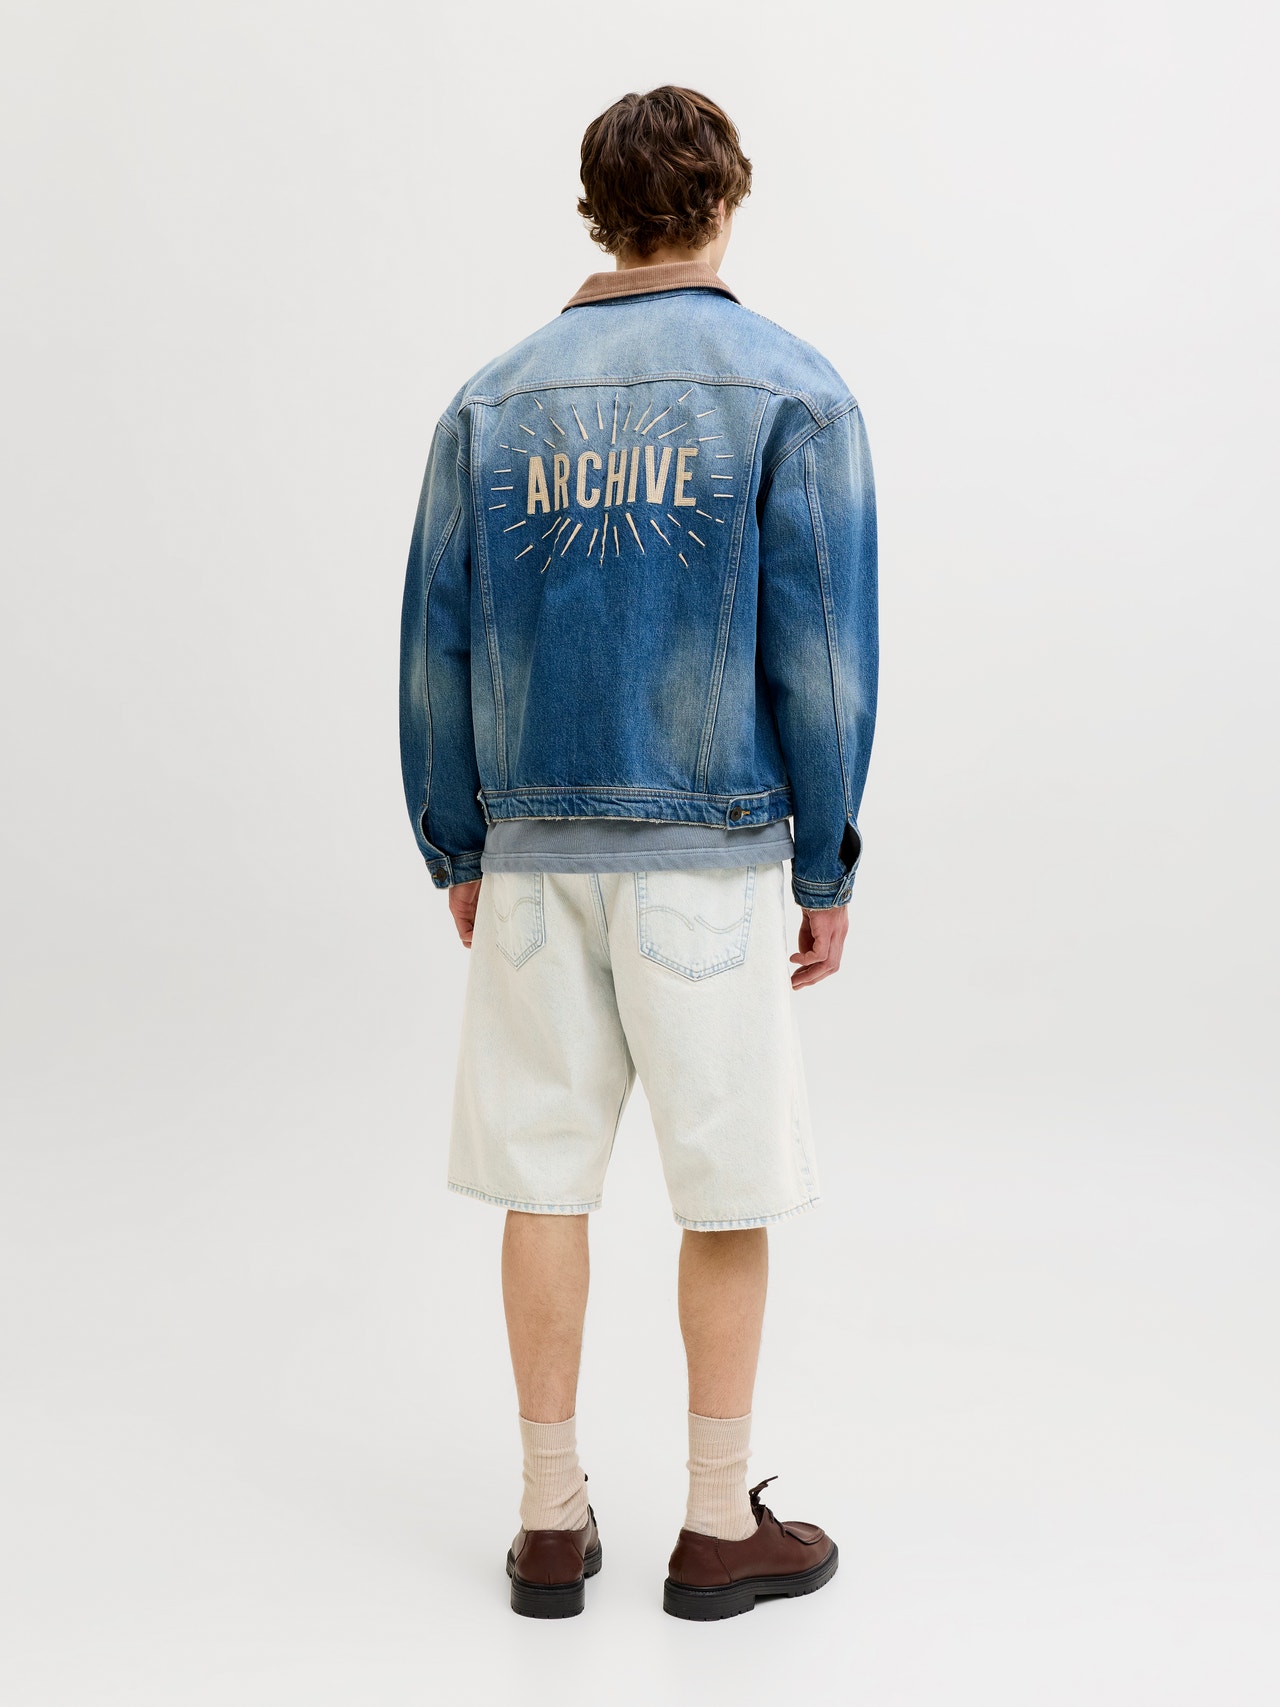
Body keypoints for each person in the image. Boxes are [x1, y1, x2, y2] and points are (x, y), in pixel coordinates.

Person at [399, 85, 877, 1621]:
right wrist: (826, 867)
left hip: (537, 858)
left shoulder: (489, 403)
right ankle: (718, 1525)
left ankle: (549, 1520)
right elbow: (822, 658)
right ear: (727, 202)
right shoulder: (794, 392)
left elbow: (432, 649)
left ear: (597, 212)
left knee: (544, 1181)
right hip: (713, 858)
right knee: (721, 1192)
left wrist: (459, 843)